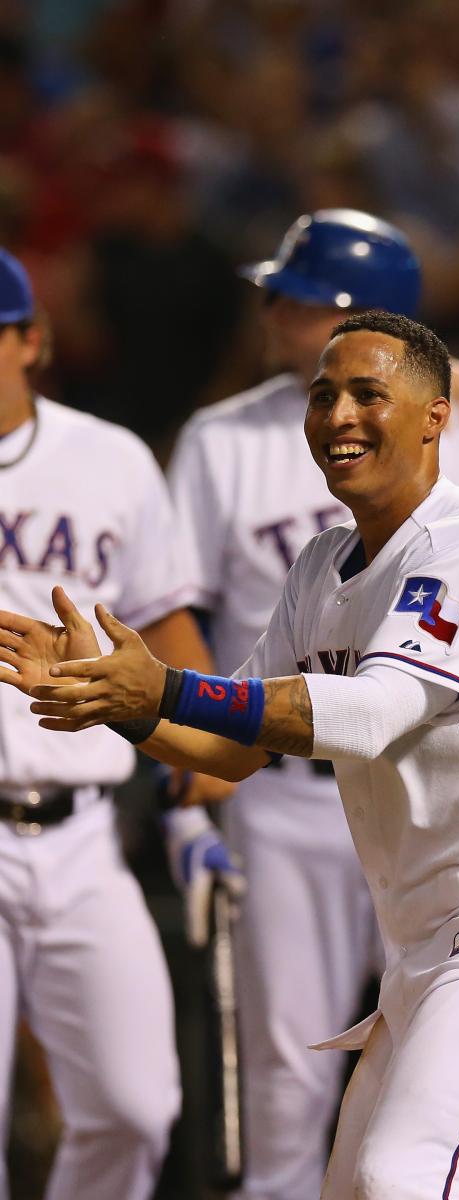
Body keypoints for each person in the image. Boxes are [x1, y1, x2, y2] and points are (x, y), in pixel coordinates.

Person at [2, 309, 459, 1200]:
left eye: (368, 394)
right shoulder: (322, 565)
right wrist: (120, 698)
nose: (338, 414)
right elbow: (230, 750)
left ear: (434, 415)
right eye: (324, 394)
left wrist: (170, 689)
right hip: (430, 945)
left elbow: (371, 714)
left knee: (408, 1179)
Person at [166, 207, 459, 1199]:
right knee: (297, 1091)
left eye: (297, 295)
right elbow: (178, 607)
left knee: (430, 1143)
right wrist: (171, 756)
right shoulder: (230, 444)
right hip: (305, 800)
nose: (271, 309)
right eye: (278, 294)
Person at [0, 248, 207, 1200]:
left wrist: (200, 779)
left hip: (85, 832)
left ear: (32, 340)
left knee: (135, 1106)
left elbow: (164, 625)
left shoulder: (111, 458)